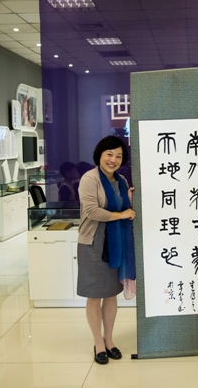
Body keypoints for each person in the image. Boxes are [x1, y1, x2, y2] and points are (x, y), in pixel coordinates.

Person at [77, 136, 136, 365]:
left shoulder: (121, 180)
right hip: (93, 243)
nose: (113, 160)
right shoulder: (89, 178)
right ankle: (98, 343)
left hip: (116, 242)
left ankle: (109, 340)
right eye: (109, 154)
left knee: (111, 294)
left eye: (118, 156)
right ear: (100, 155)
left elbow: (125, 208)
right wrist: (121, 214)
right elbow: (92, 211)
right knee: (94, 295)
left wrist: (128, 200)